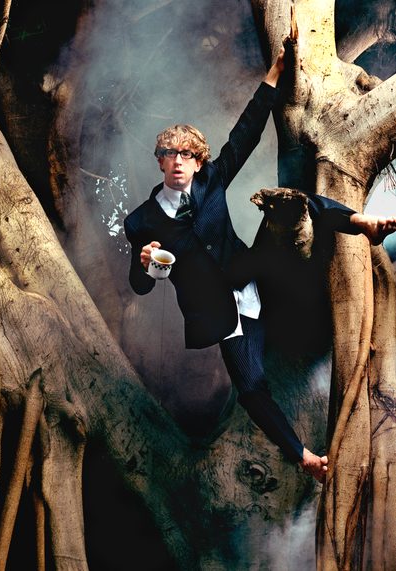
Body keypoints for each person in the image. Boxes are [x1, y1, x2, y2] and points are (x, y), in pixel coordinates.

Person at [124, 48, 396, 482]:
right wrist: (145, 264)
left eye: (185, 154)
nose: (176, 160)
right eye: (168, 153)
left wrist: (273, 76)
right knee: (251, 389)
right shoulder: (141, 221)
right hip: (221, 317)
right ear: (159, 160)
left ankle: (360, 223)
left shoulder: (212, 179)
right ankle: (304, 457)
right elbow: (141, 285)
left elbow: (246, 134)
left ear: (197, 161)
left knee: (293, 202)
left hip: (255, 273)